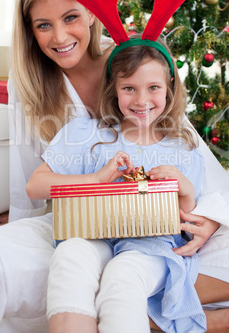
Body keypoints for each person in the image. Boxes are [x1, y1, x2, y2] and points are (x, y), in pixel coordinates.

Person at [0, 0, 229, 333]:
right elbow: (31, 188)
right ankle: (157, 311)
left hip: (155, 234)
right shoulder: (33, 89)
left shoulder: (134, 59)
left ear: (90, 13)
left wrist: (209, 221)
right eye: (43, 25)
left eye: (70, 17)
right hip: (81, 221)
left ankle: (158, 309)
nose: (59, 36)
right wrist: (33, 237)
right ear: (30, 31)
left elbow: (195, 172)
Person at [27, 36, 208, 332]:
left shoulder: (182, 149)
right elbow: (35, 186)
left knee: (122, 279)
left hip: (150, 246)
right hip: (91, 233)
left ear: (169, 89)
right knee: (69, 258)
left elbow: (186, 226)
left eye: (153, 88)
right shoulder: (87, 134)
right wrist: (96, 179)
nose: (141, 100)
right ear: (114, 89)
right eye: (129, 89)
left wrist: (185, 190)